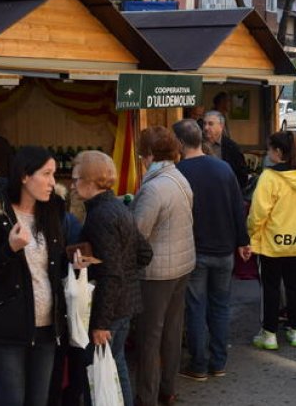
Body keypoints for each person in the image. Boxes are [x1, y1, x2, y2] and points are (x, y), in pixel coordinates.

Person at [0, 146, 67, 406]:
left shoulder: (53, 209)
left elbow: (54, 265)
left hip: (47, 326)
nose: (53, 182)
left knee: (39, 401)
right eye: (46, 174)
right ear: (25, 176)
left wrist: (75, 264)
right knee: (13, 400)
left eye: (54, 174)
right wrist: (9, 249)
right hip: (6, 326)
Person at [172, 120, 249, 381]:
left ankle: (198, 365)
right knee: (220, 307)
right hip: (224, 251)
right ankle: (218, 362)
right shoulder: (223, 168)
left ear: (179, 143)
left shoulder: (178, 172)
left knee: (195, 308)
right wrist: (243, 241)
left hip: (195, 251)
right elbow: (237, 207)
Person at [75, 151, 152, 406]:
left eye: (76, 179)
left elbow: (110, 273)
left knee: (104, 373)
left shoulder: (100, 215)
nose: (72, 186)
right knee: (116, 366)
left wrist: (100, 323)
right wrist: (124, 273)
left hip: (110, 309)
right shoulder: (119, 207)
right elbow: (144, 253)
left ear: (90, 180)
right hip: (124, 304)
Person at [131, 126, 196, 406]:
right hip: (182, 264)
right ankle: (167, 389)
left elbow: (138, 234)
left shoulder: (154, 188)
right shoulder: (179, 177)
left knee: (150, 336)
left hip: (157, 272)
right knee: (172, 331)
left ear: (148, 154)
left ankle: (146, 396)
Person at [247, 130, 296, 351]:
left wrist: (251, 235)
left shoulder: (269, 177)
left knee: (271, 289)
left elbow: (258, 213)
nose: (268, 153)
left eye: (269, 149)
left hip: (271, 242)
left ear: (278, 151)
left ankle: (269, 333)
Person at [203, 111, 249, 194]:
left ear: (221, 126)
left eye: (210, 124)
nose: (206, 128)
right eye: (204, 123)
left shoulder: (232, 147)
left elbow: (242, 176)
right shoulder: (197, 144)